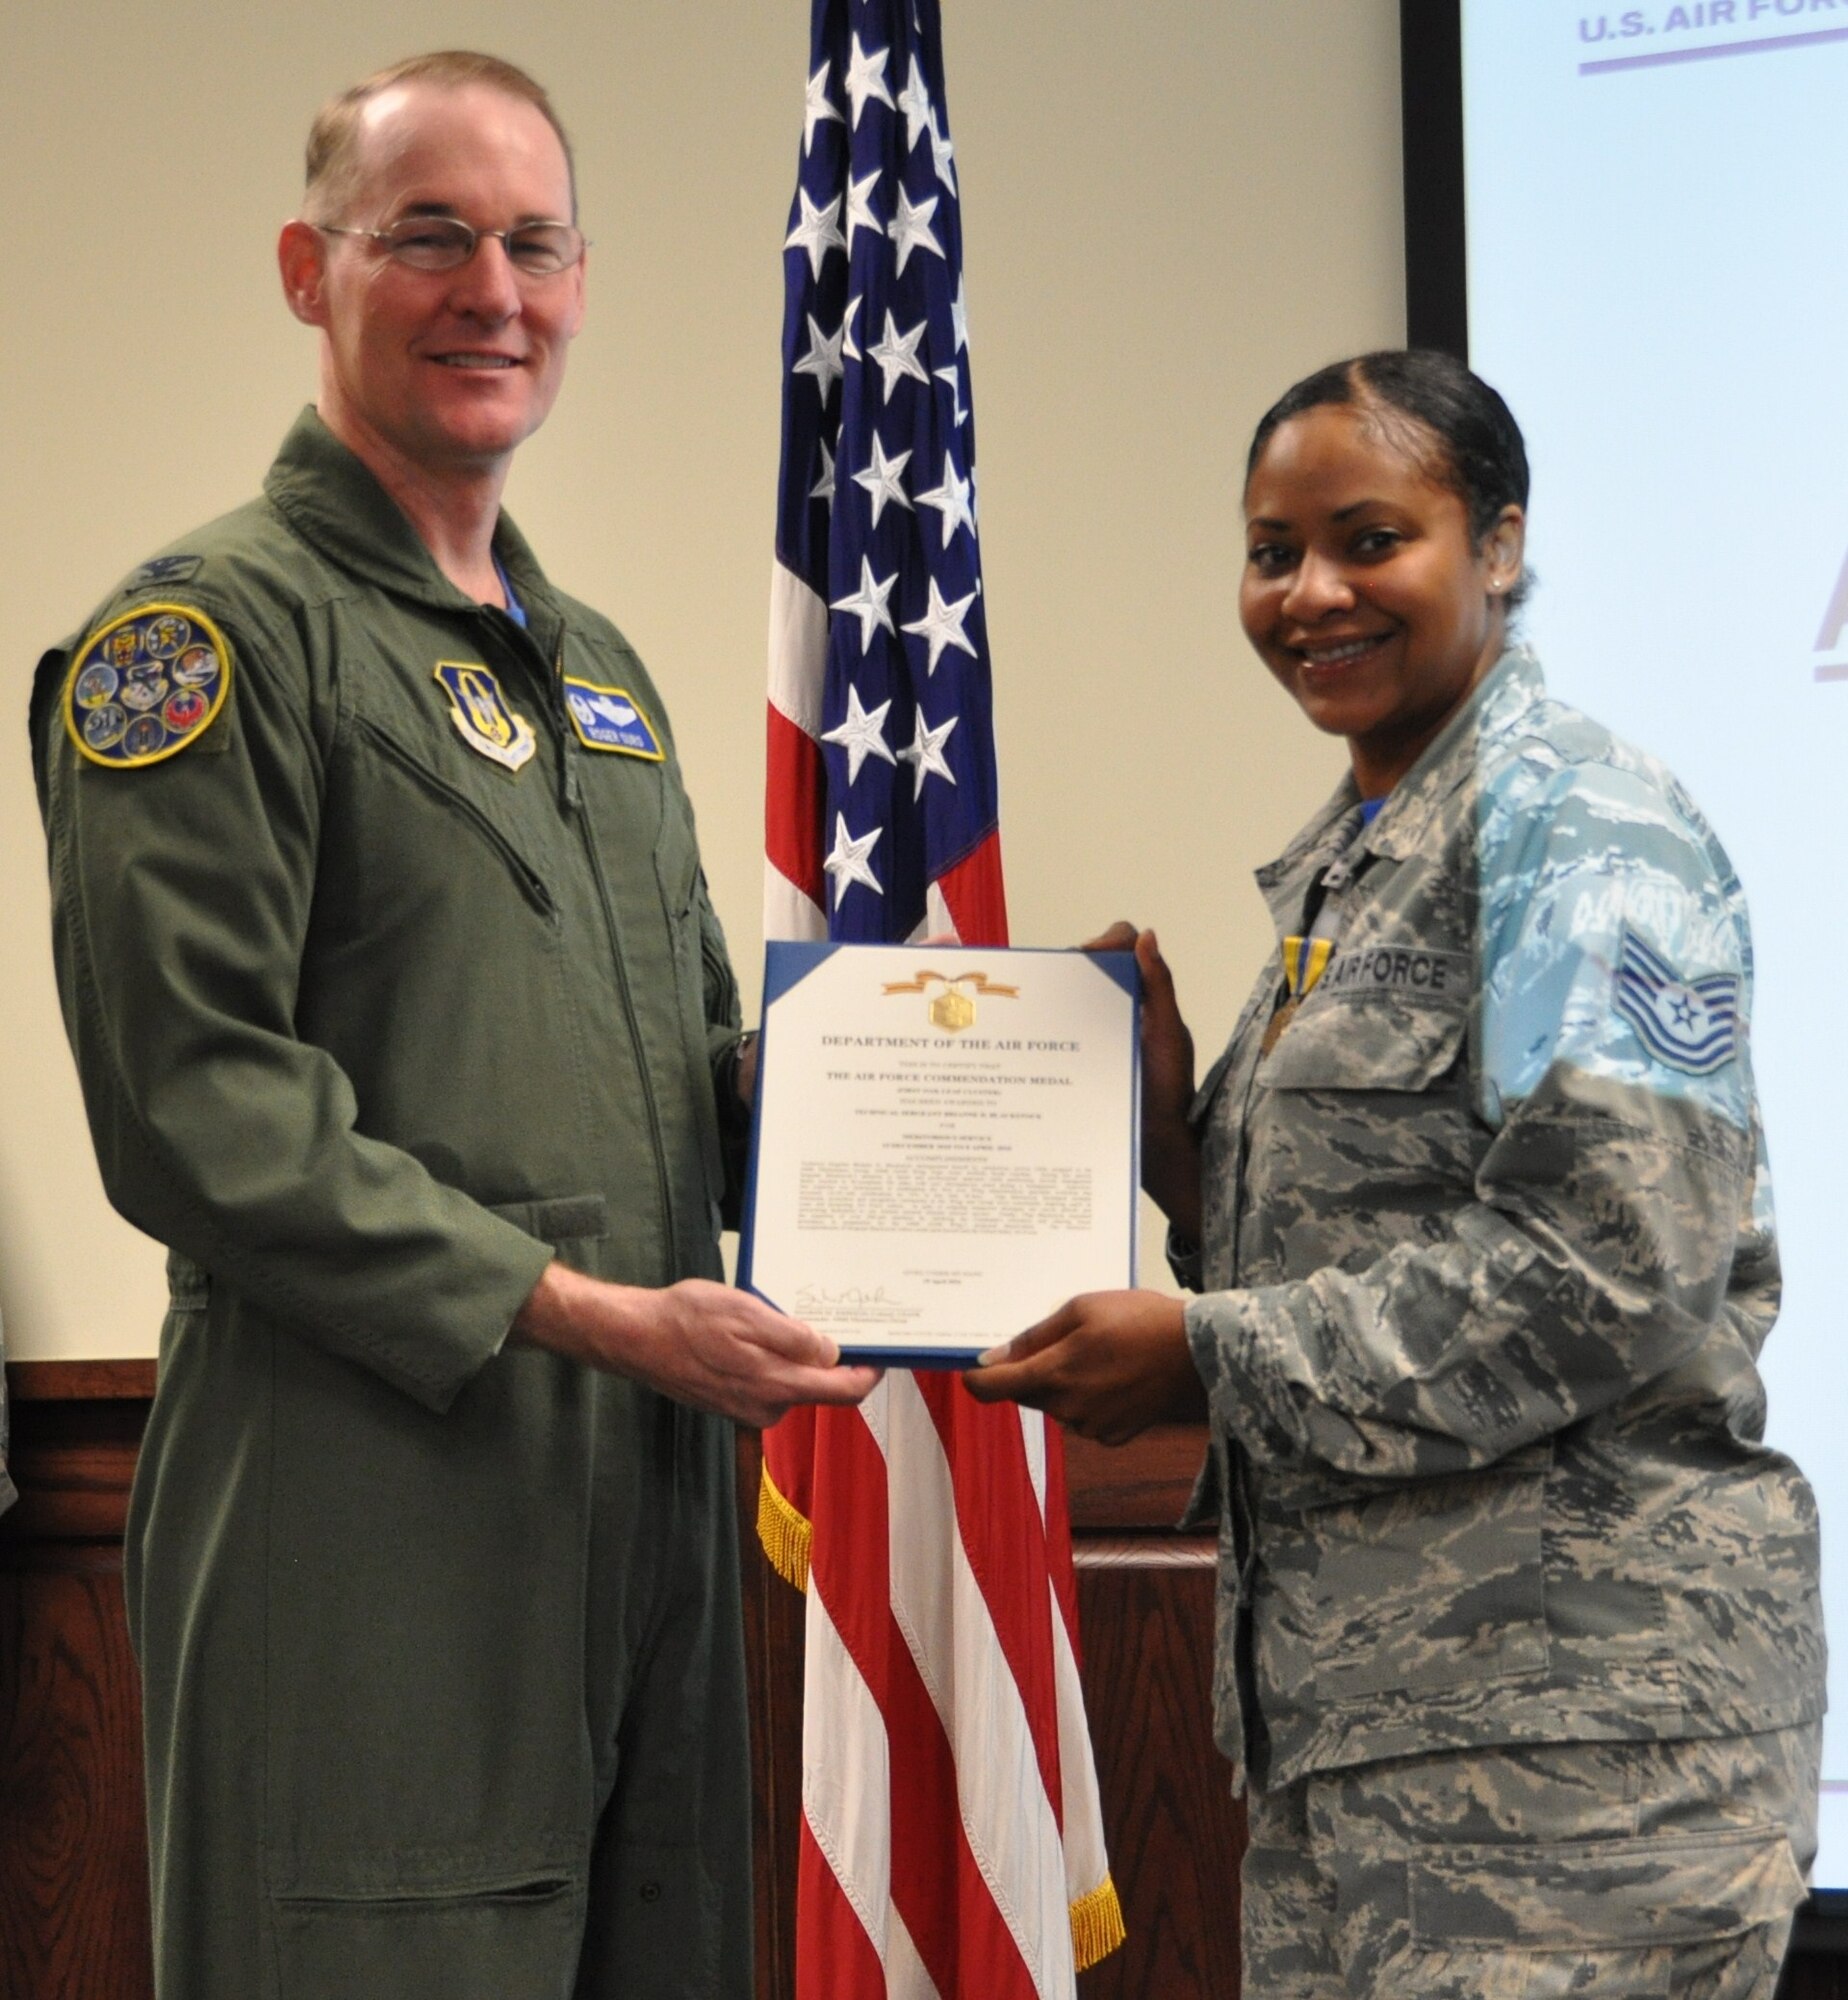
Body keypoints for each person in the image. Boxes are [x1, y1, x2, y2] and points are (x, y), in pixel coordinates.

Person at [29, 51, 876, 2000]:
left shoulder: (603, 681)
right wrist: (589, 1311)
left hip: (644, 1527)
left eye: (533, 241)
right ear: (306, 271)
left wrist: (956, 1093)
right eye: (428, 235)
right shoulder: (207, 641)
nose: (492, 288)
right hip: (367, 1525)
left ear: (580, 280)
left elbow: (680, 1083)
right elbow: (199, 1109)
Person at [968, 350, 1825, 1998]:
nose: (1312, 594)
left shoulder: (1581, 833)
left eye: (1372, 540)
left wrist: (1203, 1355)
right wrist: (1171, 1158)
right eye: (1273, 550)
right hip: (1378, 1745)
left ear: (1497, 543)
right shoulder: (1367, 855)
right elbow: (1384, 1236)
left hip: (1579, 1766)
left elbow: (1610, 1270)